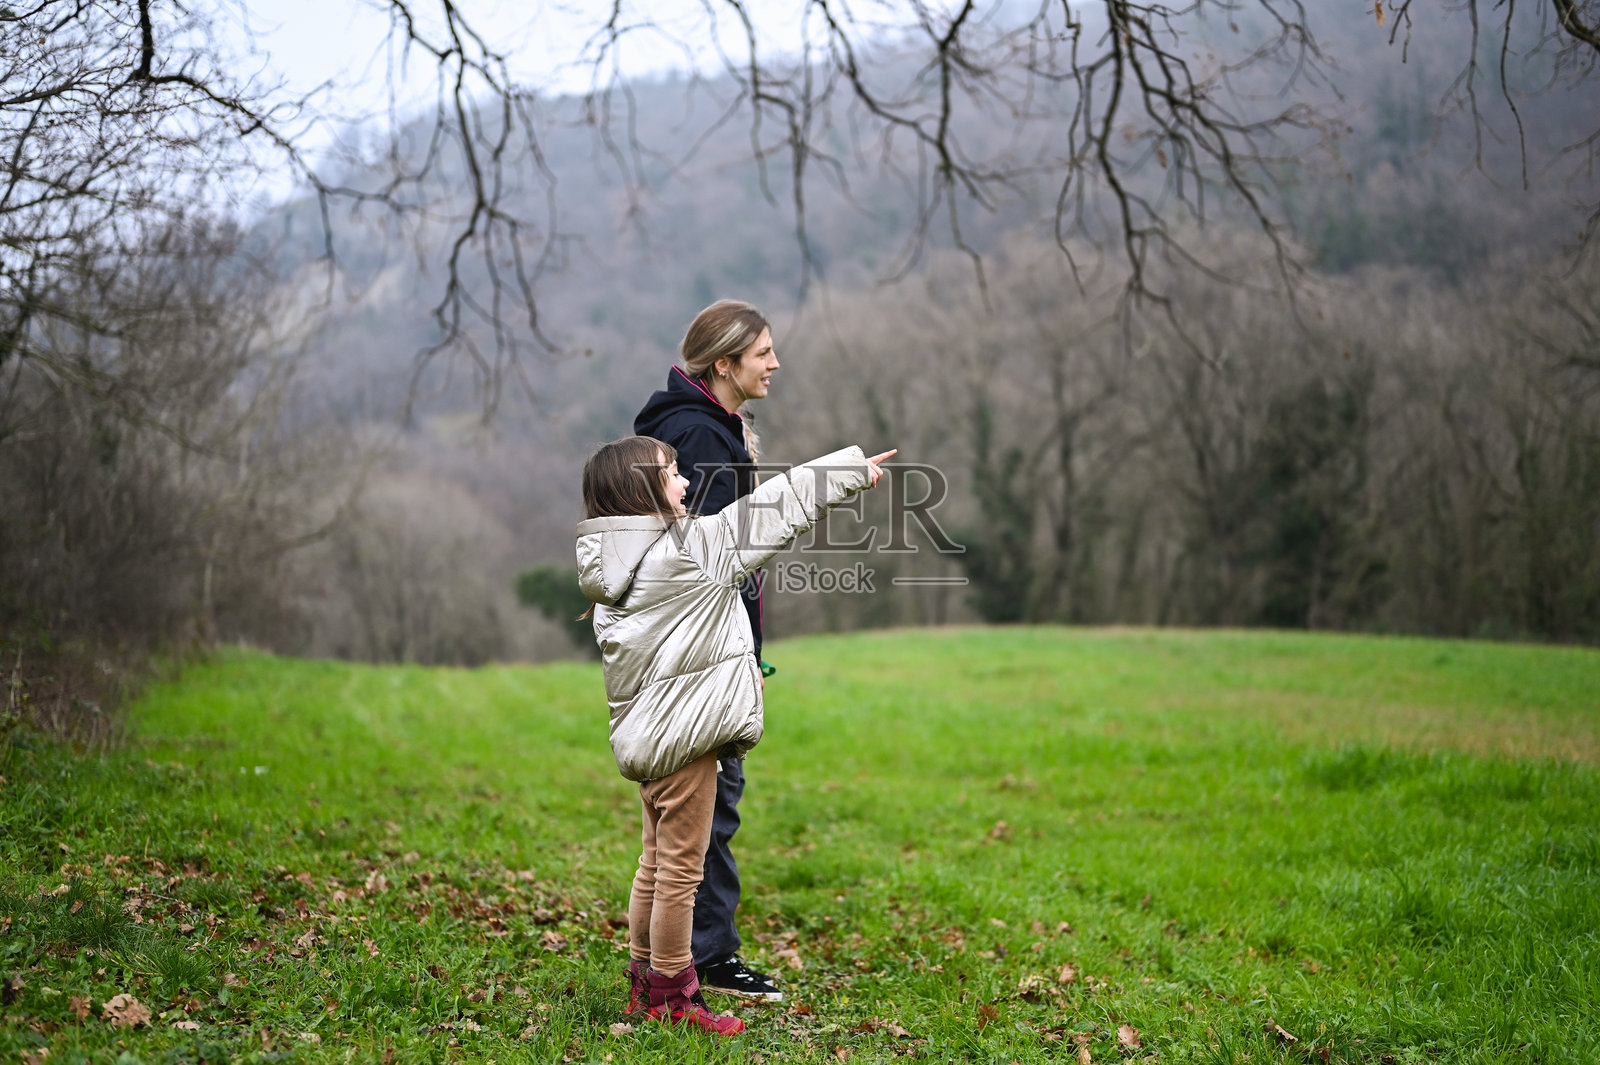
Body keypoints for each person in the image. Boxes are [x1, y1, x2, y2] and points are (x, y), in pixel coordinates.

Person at [577, 435, 895, 1034]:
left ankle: (644, 985)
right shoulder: (687, 552)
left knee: (652, 867)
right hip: (688, 747)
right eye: (672, 474)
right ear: (642, 489)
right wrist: (851, 469)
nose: (685, 483)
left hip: (651, 747)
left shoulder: (614, 570)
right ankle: (673, 998)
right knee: (679, 875)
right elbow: (776, 505)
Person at [632, 299, 784, 999]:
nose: (775, 364)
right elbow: (719, 555)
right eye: (762, 354)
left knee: (699, 815)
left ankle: (679, 961)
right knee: (709, 811)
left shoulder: (711, 427)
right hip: (700, 660)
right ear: (724, 364)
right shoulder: (698, 435)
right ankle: (704, 960)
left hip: (707, 654)